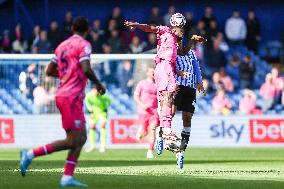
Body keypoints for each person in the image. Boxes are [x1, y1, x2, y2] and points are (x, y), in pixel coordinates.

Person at [19, 16, 105, 187]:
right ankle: (30, 154)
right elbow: (86, 68)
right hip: (71, 97)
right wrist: (98, 83)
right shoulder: (84, 45)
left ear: (73, 28)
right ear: (87, 30)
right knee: (73, 141)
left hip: (66, 95)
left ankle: (67, 177)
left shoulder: (61, 46)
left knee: (81, 138)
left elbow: (49, 70)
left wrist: (67, 74)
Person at [124, 13, 204, 156]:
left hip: (169, 69)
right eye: (180, 28)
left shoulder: (176, 40)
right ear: (174, 26)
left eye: (183, 29)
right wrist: (137, 25)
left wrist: (192, 41)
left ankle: (165, 132)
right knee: (168, 96)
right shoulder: (165, 30)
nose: (182, 32)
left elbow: (184, 52)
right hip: (163, 67)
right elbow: (150, 28)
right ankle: (165, 131)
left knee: (168, 96)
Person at [174, 36, 205, 169]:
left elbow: (196, 68)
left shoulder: (191, 53)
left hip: (190, 88)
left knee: (187, 118)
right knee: (170, 113)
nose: (178, 43)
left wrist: (199, 82)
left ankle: (181, 149)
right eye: (176, 41)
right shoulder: (171, 53)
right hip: (176, 87)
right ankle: (162, 135)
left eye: (180, 41)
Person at [134, 66, 159, 159]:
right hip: (143, 111)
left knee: (152, 129)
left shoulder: (158, 84)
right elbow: (136, 96)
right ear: (147, 73)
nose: (153, 73)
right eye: (151, 71)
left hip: (154, 112)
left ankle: (150, 151)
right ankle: (141, 132)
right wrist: (142, 105)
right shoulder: (142, 83)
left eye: (154, 71)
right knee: (144, 132)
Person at [85, 85, 111, 153]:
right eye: (95, 91)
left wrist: (105, 107)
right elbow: (87, 102)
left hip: (102, 113)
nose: (96, 93)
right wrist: (90, 110)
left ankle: (103, 146)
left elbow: (109, 101)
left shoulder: (103, 96)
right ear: (93, 90)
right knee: (92, 127)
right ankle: (92, 146)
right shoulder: (89, 95)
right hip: (94, 113)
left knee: (102, 126)